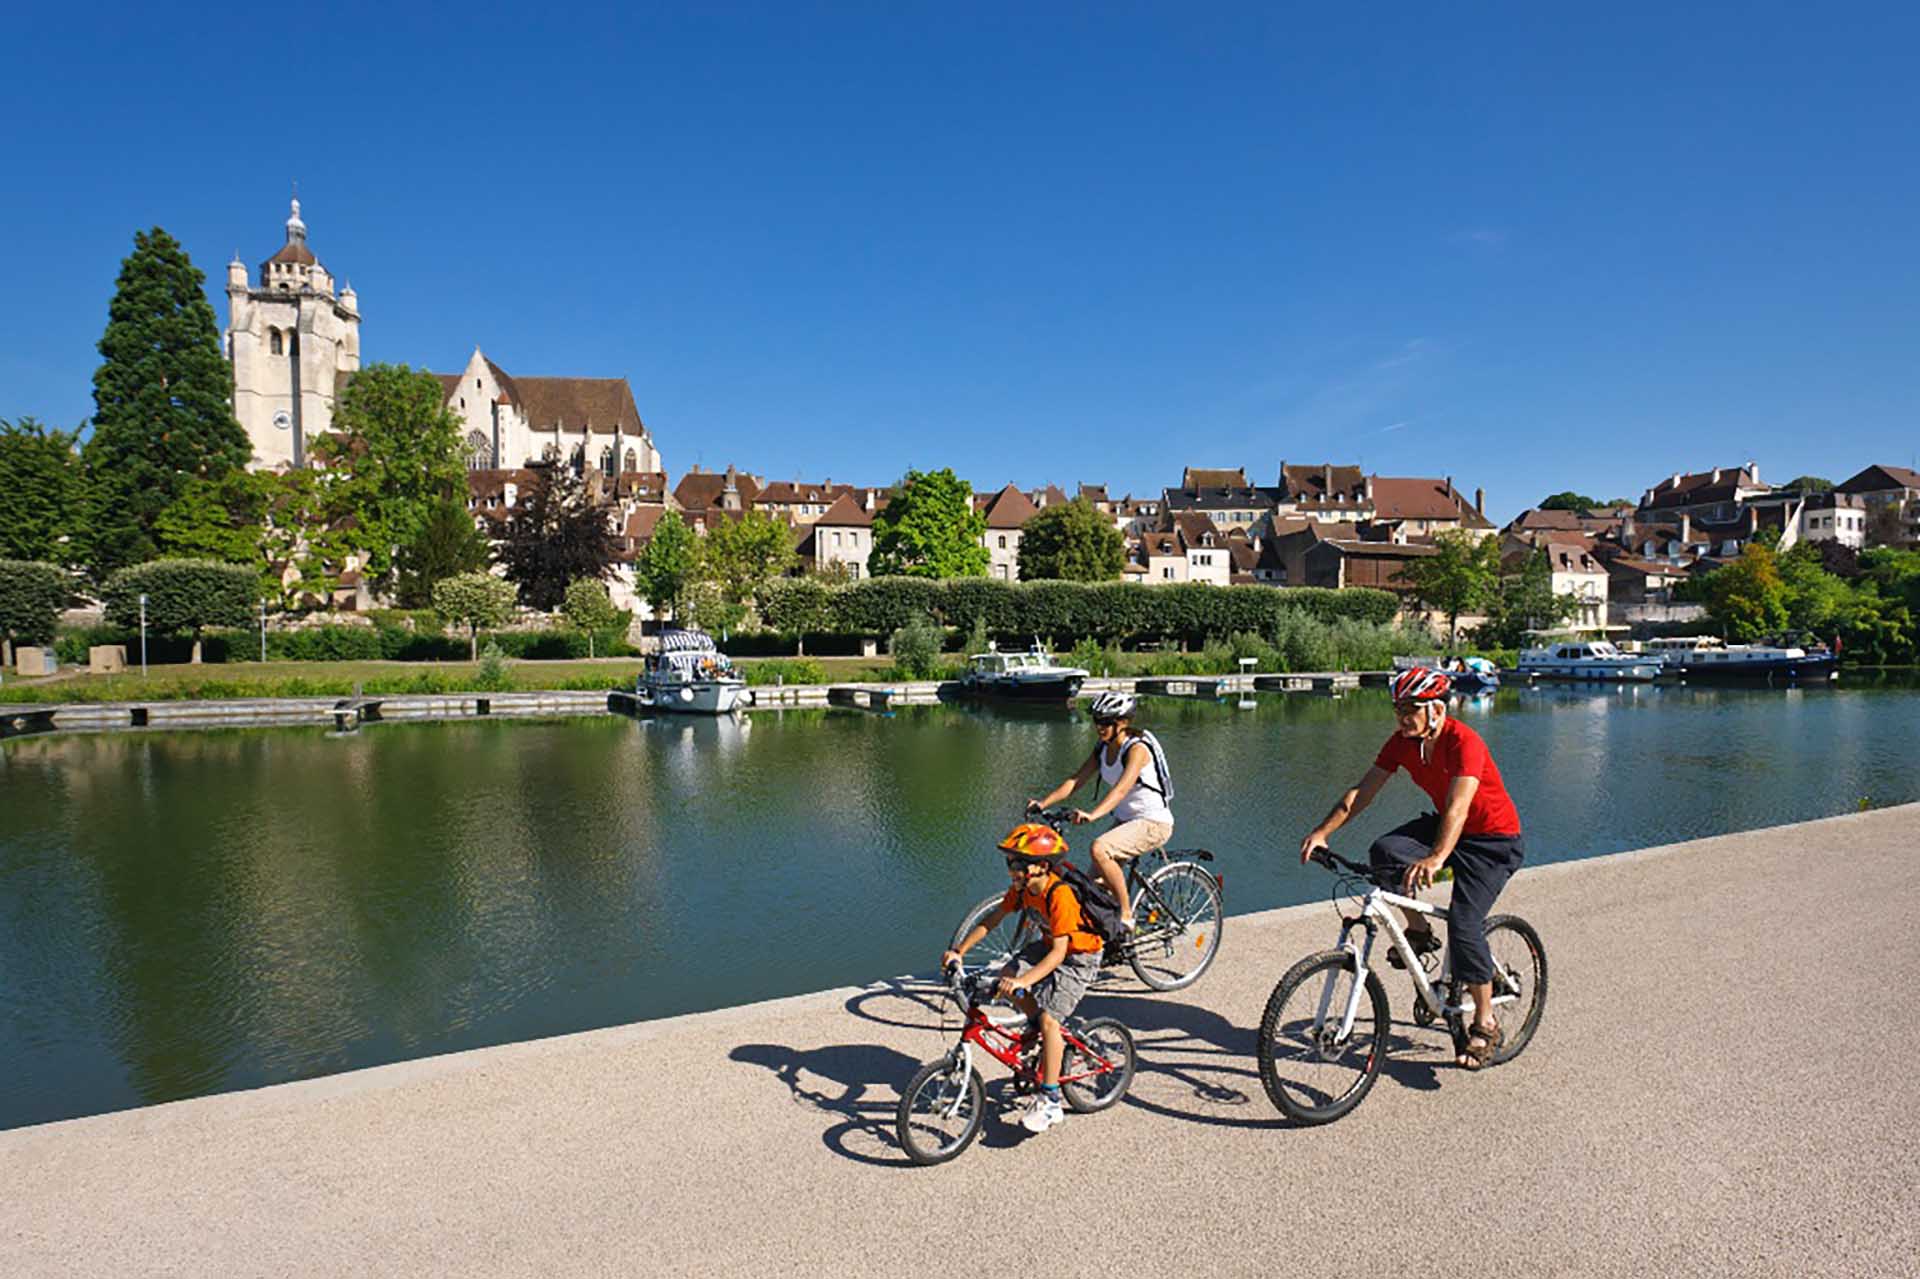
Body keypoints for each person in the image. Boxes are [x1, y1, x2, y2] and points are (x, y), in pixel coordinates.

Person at [1297, 666, 1525, 1070]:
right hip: (1448, 829)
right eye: (1398, 707)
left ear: (1436, 709)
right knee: (1385, 851)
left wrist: (1437, 857)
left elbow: (1458, 807)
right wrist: (1322, 831)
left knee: (1464, 922)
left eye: (1412, 708)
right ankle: (1419, 934)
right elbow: (1361, 792)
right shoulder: (1404, 742)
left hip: (1493, 842)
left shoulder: (1464, 742)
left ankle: (1485, 1022)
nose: (1403, 716)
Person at [942, 821, 1106, 1134]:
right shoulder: (1022, 890)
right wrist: (959, 950)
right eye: (1009, 863)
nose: (1011, 870)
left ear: (1042, 866)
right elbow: (993, 919)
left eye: (1018, 864)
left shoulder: (1060, 896)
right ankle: (1035, 1026)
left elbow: (1060, 954)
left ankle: (1051, 1100)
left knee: (1049, 1023)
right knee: (1006, 975)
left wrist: (1025, 981)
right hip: (1046, 945)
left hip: (1078, 957)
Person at [1027, 691, 1173, 934]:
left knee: (1099, 848)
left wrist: (1093, 815)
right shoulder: (1103, 748)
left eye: (1106, 722)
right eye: (1097, 721)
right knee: (1090, 890)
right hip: (1126, 822)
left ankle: (1126, 915)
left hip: (1153, 822)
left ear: (1123, 722)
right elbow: (1076, 780)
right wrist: (1043, 803)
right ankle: (1109, 941)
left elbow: (1121, 790)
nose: (1100, 727)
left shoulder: (1137, 749)